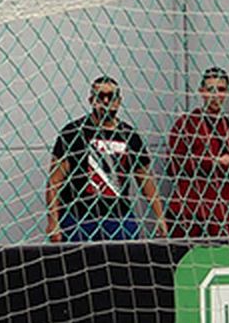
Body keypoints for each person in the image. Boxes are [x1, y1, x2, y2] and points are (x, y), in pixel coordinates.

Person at [46, 77, 167, 241]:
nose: (105, 101)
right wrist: (53, 222)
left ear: (119, 101)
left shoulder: (130, 136)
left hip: (118, 218)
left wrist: (159, 216)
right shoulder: (73, 133)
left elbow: (145, 179)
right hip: (80, 217)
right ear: (91, 100)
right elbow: (55, 181)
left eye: (111, 96)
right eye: (100, 96)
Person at [167, 67, 229, 238]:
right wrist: (214, 162)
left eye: (221, 90)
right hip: (188, 211)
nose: (215, 95)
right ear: (202, 92)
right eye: (211, 90)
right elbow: (174, 165)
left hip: (220, 214)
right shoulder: (187, 124)